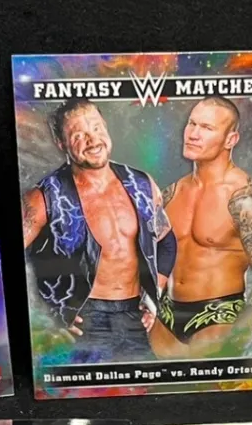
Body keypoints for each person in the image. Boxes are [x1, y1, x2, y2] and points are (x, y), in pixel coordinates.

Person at [22, 101, 175, 361]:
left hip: (135, 316)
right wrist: (46, 318)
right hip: (84, 320)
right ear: (61, 143)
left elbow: (167, 242)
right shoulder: (43, 197)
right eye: (78, 135)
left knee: (144, 385)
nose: (93, 140)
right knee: (84, 387)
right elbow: (1, 265)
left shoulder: (141, 184)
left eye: (96, 128)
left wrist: (153, 296)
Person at [151, 96, 252, 354]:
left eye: (207, 128)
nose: (193, 134)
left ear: (231, 140)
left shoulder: (245, 199)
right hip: (165, 316)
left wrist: (247, 324)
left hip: (219, 317)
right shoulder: (171, 193)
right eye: (192, 124)